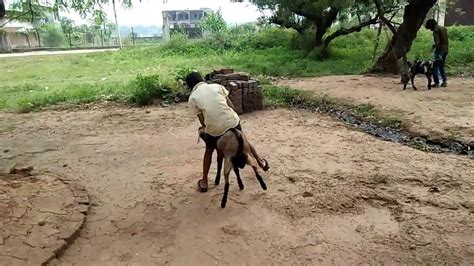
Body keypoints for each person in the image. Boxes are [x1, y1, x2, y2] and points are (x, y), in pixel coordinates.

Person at [186, 72, 269, 192]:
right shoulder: (217, 86)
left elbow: (203, 121)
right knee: (243, 139)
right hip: (232, 122)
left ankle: (204, 182)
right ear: (203, 79)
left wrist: (205, 128)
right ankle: (261, 162)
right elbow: (231, 107)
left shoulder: (193, 98)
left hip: (216, 130)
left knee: (209, 150)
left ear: (189, 86)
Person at [425, 19, 449, 88]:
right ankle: (444, 81)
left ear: (431, 26)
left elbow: (437, 43)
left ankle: (436, 82)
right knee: (441, 66)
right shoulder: (444, 29)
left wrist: (433, 47)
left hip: (439, 51)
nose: (430, 30)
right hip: (446, 49)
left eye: (430, 28)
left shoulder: (436, 31)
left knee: (435, 66)